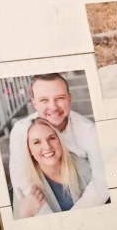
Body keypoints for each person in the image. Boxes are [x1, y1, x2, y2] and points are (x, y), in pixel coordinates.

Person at [7, 73, 109, 209]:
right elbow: (22, 181)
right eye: (44, 100)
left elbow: (102, 180)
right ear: (34, 103)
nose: (53, 107)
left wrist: (75, 216)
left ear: (69, 98)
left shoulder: (88, 130)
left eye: (60, 98)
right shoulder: (22, 130)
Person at [12, 118, 93, 218]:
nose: (47, 147)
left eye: (51, 138)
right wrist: (26, 213)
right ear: (30, 150)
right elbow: (18, 225)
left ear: (60, 140)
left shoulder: (83, 166)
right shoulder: (24, 183)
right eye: (37, 142)